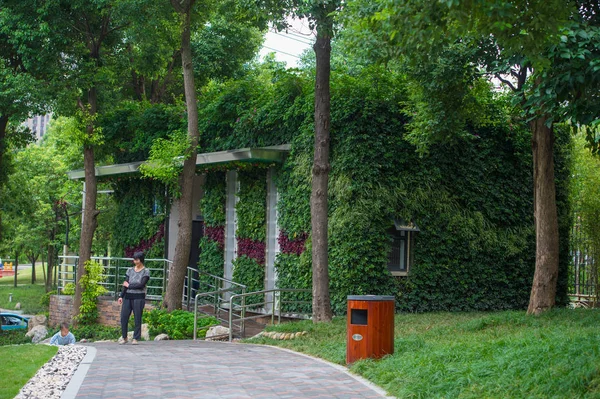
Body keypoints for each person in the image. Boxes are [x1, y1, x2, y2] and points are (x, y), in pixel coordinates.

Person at [118, 251, 150, 345]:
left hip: (139, 297)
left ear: (141, 260)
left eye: (136, 259)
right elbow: (125, 284)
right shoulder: (130, 270)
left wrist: (129, 286)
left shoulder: (146, 271)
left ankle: (136, 338)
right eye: (134, 259)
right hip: (128, 296)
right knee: (124, 317)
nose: (134, 261)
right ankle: (124, 337)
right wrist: (121, 296)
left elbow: (141, 285)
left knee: (137, 317)